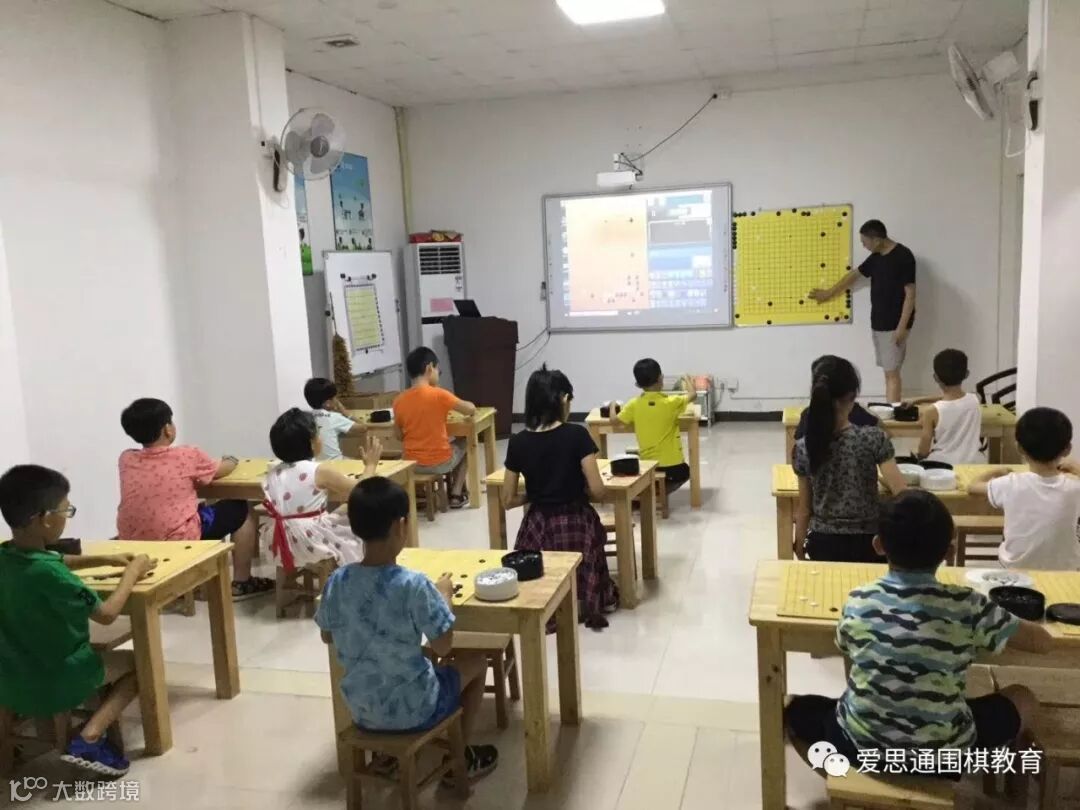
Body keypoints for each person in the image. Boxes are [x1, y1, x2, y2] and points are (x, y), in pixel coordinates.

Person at [786, 490, 1048, 773]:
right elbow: (1042, 643)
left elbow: (844, 644)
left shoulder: (860, 599)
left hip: (862, 747)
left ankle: (841, 775)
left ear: (878, 545)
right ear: (949, 552)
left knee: (795, 709)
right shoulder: (969, 605)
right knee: (1023, 697)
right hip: (943, 758)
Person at [315, 477, 498, 781]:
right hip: (415, 709)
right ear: (401, 526)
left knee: (410, 658)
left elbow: (327, 636)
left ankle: (388, 755)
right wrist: (444, 597)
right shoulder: (413, 585)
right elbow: (443, 646)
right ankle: (461, 759)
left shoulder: (338, 581)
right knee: (477, 662)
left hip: (362, 709)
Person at [0, 464, 157, 777]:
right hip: (60, 675)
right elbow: (107, 614)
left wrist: (104, 559)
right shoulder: (53, 576)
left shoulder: (6, 555)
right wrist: (132, 573)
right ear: (46, 519)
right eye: (66, 510)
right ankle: (89, 736)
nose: (67, 516)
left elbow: (54, 559)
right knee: (141, 666)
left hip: (10, 676)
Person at [116, 398, 271, 599]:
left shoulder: (126, 459)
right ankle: (242, 582)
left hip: (132, 539)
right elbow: (223, 469)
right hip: (178, 538)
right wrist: (231, 459)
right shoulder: (187, 455)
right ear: (167, 429)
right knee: (240, 508)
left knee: (201, 508)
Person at [503, 366, 616, 629]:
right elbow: (598, 490)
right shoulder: (577, 435)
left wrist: (533, 494)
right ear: (564, 399)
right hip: (576, 521)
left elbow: (508, 500)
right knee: (590, 542)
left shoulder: (518, 442)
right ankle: (591, 601)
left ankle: (547, 606)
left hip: (539, 524)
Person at [793, 356, 907, 562]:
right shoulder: (873, 437)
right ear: (853, 396)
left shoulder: (804, 447)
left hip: (823, 543)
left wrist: (799, 544)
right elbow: (901, 493)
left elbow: (804, 509)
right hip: (870, 543)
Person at [809, 220, 916, 403]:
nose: (864, 246)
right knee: (888, 372)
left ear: (877, 240)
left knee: (892, 374)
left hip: (894, 325)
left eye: (865, 242)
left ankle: (891, 414)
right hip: (878, 323)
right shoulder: (876, 257)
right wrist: (828, 293)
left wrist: (901, 327)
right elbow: (854, 275)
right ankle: (890, 410)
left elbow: (911, 295)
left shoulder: (903, 256)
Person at [263, 408, 382, 572]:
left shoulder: (272, 472)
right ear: (312, 442)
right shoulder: (318, 471)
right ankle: (357, 570)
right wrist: (370, 466)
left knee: (344, 509)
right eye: (318, 433)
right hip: (310, 541)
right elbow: (361, 490)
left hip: (278, 540)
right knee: (360, 512)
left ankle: (288, 582)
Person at [969, 407, 1080, 570]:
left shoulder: (1010, 483)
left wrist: (997, 471)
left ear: (1019, 448)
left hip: (1016, 567)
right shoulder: (1074, 487)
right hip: (1066, 569)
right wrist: (1077, 468)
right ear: (1067, 449)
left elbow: (972, 487)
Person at [394, 347, 476, 509]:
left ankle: (421, 493)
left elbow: (398, 435)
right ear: (429, 368)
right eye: (438, 369)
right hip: (439, 462)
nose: (438, 373)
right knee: (467, 443)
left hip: (410, 463)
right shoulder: (439, 394)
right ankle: (456, 494)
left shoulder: (399, 400)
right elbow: (470, 409)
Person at [608, 359, 694, 494]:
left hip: (648, 466)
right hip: (674, 468)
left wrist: (613, 405)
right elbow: (693, 395)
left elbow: (614, 421)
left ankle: (652, 490)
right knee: (686, 472)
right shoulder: (671, 402)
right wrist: (687, 379)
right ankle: (659, 492)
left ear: (637, 384)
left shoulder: (633, 404)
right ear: (661, 378)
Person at [907, 349, 984, 465]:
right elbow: (954, 398)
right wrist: (918, 400)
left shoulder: (931, 411)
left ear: (935, 378)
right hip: (972, 463)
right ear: (967, 374)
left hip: (941, 464)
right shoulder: (976, 399)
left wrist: (920, 458)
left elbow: (924, 447)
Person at [792, 355, 879, 456]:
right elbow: (884, 433)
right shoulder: (860, 414)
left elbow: (797, 453)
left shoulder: (808, 415)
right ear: (851, 393)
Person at [303, 377, 366, 461]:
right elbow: (363, 428)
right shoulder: (333, 417)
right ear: (328, 403)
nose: (337, 401)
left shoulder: (305, 418)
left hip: (315, 464)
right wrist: (345, 412)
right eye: (335, 398)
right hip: (335, 463)